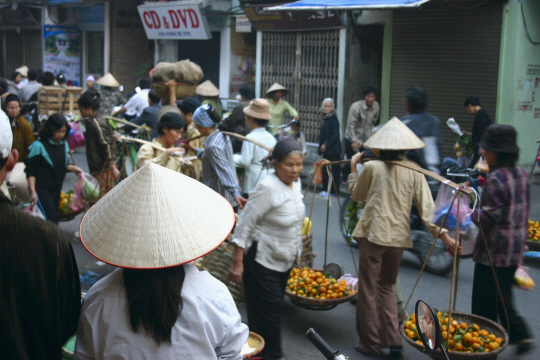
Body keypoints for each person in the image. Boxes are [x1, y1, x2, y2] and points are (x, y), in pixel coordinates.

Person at [75, 163, 249, 359]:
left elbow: (86, 355)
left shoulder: (99, 298)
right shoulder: (214, 296)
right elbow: (231, 354)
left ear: (122, 240)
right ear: (185, 238)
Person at [348, 117, 457, 358]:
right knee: (386, 287)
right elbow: (428, 211)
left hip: (373, 235)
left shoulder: (372, 167)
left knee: (367, 290)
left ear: (381, 147)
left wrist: (354, 166)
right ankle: (394, 341)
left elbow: (355, 195)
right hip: (398, 239)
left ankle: (370, 343)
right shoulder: (414, 171)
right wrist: (444, 237)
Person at [0, 112, 81, 360]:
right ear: (13, 160)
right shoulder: (48, 240)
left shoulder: (48, 239)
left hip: (54, 191)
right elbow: (68, 320)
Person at [229, 137, 305, 360]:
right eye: (289, 165)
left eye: (299, 164)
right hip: (261, 260)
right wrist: (237, 262)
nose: (295, 170)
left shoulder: (296, 183)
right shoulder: (268, 187)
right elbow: (244, 224)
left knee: (266, 313)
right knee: (270, 313)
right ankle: (273, 355)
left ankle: (258, 353)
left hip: (284, 260)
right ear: (276, 163)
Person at [466, 125, 533, 354]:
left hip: (492, 253)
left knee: (483, 305)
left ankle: (485, 349)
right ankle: (520, 335)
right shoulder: (522, 175)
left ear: (499, 152)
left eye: (488, 148)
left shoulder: (497, 179)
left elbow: (489, 217)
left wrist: (470, 211)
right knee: (502, 296)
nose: (483, 151)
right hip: (513, 250)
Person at [186, 104, 246, 211]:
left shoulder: (213, 146)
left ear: (201, 126)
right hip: (226, 198)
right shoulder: (222, 135)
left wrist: (236, 193)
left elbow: (225, 170)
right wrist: (193, 149)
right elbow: (208, 157)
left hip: (221, 199)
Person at [25, 114, 83, 223]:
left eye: (63, 131)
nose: (60, 134)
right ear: (50, 130)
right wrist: (33, 192)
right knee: (52, 221)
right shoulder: (38, 146)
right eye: (58, 131)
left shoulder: (64, 144)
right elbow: (30, 171)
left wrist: (73, 168)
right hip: (42, 190)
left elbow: (63, 165)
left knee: (52, 219)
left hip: (57, 190)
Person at [78, 91, 120, 198]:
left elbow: (106, 144)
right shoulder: (91, 121)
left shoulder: (95, 123)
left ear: (88, 109)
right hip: (98, 168)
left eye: (81, 109)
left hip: (103, 169)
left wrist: (112, 166)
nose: (80, 112)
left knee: (102, 199)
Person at [234, 99, 277, 196]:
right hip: (268, 181)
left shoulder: (250, 138)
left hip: (252, 184)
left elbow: (244, 161)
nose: (245, 118)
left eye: (246, 116)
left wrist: (232, 157)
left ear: (252, 118)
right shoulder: (272, 138)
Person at [400, 86, 442, 178]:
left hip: (418, 182)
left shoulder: (405, 122)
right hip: (437, 179)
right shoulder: (434, 121)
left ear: (408, 104)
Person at [342, 86, 379, 182]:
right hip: (352, 137)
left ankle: (360, 180)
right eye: (368, 96)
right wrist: (354, 141)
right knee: (351, 160)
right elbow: (351, 125)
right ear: (364, 97)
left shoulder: (376, 106)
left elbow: (373, 122)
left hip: (365, 138)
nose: (370, 99)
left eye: (372, 96)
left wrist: (372, 136)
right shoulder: (355, 107)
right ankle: (344, 177)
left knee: (365, 159)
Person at [220, 83, 255, 152]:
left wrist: (220, 127)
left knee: (223, 150)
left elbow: (230, 121)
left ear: (243, 95)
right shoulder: (256, 103)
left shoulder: (242, 106)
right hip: (256, 138)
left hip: (241, 139)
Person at [318, 98, 341, 197]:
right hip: (327, 150)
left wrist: (326, 144)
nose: (327, 108)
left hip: (333, 150)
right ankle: (325, 189)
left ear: (332, 108)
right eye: (325, 106)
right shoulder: (324, 118)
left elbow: (335, 135)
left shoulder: (333, 119)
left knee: (333, 171)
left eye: (329, 106)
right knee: (326, 170)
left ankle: (332, 191)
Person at [2, 93, 35, 162]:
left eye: (17, 108)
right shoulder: (2, 123)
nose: (14, 111)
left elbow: (30, 145)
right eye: (11, 108)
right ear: (5, 108)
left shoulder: (24, 124)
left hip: (19, 162)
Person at [176, 96, 203, 180]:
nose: (181, 116)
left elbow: (192, 156)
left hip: (195, 171)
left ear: (190, 114)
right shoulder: (201, 126)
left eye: (182, 113)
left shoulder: (192, 130)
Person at [463, 97, 492, 168]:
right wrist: (468, 133)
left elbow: (483, 132)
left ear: (470, 106)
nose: (468, 111)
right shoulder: (481, 114)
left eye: (467, 109)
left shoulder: (481, 115)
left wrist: (481, 147)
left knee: (474, 168)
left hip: (480, 149)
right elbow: (479, 131)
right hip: (479, 148)